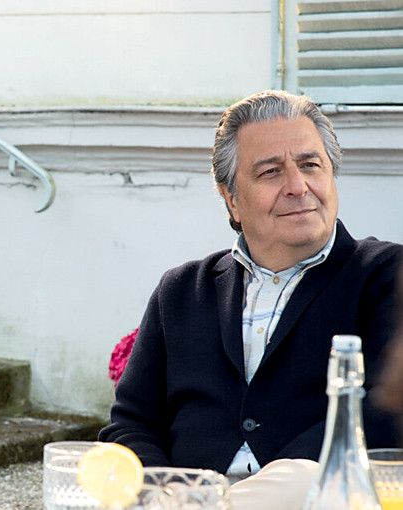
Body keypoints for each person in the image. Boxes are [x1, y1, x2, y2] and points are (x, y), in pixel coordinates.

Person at [99, 90, 401, 482]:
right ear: (232, 200)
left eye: (310, 165)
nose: (297, 186)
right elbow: (131, 424)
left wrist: (275, 486)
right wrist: (169, 493)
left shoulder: (385, 275)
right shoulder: (181, 291)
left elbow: (387, 412)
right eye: (271, 172)